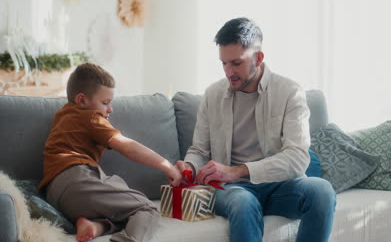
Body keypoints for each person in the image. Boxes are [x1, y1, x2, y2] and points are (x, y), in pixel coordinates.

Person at [176, 18, 336, 242]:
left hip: (282, 186)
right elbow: (199, 150)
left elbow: (298, 158)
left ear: (258, 58)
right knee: (243, 202)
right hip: (233, 190)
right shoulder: (212, 95)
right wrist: (190, 167)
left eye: (236, 63)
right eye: (224, 63)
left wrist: (236, 170)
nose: (228, 72)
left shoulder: (290, 92)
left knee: (322, 191)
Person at [39, 63, 182, 242]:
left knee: (126, 212)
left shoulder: (64, 114)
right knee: (147, 209)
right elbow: (127, 146)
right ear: (82, 100)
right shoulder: (90, 117)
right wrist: (167, 166)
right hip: (78, 180)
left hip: (55, 195)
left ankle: (96, 226)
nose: (110, 109)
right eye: (105, 103)